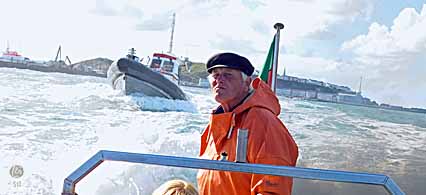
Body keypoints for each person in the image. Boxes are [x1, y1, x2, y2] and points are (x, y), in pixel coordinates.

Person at [197, 52, 299, 195]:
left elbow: (273, 190)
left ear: (246, 83)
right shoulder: (213, 125)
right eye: (215, 75)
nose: (219, 80)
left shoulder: (264, 123)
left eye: (228, 75)